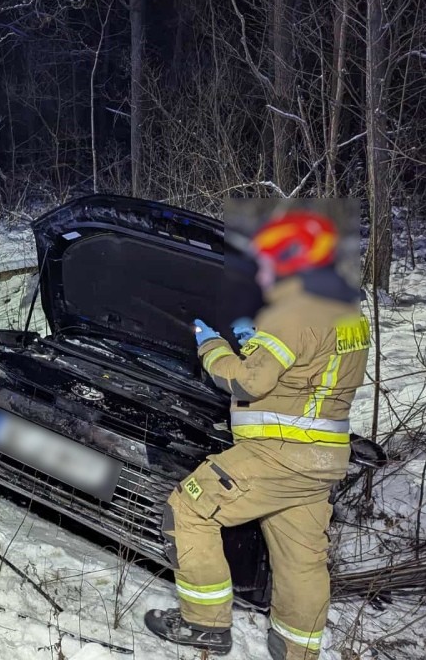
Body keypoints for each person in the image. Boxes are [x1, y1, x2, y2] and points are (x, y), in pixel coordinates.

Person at [145, 211, 370, 660]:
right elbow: (307, 373)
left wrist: (213, 347)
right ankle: (297, 649)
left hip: (279, 455)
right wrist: (259, 341)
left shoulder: (295, 312)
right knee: (301, 558)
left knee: (188, 509)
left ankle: (204, 624)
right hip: (321, 459)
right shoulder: (350, 318)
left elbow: (250, 382)